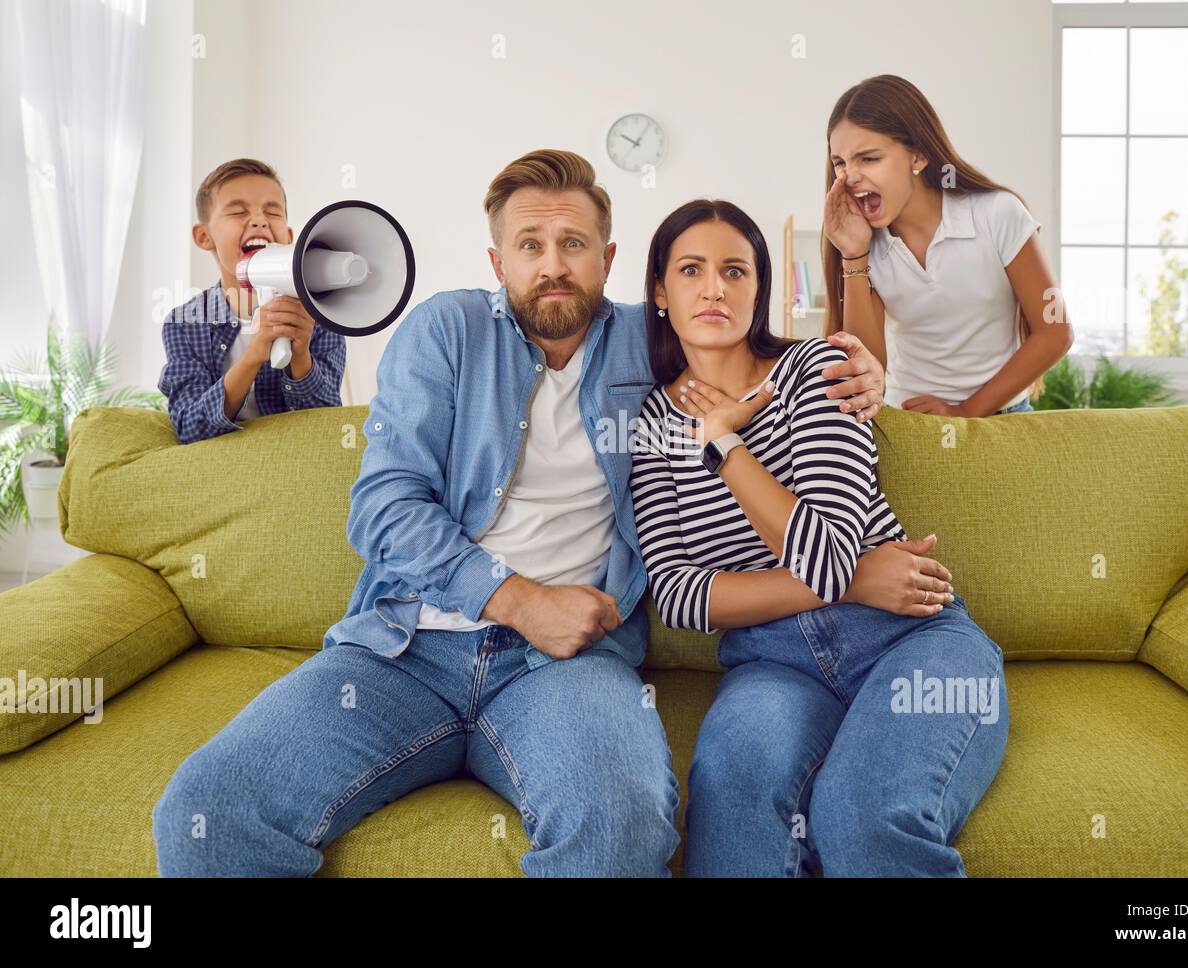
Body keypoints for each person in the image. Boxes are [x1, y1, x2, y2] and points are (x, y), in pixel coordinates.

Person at [151, 149, 887, 877]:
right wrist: (518, 600)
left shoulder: (654, 340)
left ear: (609, 258)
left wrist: (863, 366)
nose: (553, 265)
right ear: (498, 262)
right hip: (404, 648)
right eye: (530, 246)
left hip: (569, 667)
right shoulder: (447, 331)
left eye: (573, 245)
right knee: (208, 809)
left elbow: (760, 354)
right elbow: (383, 508)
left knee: (619, 827)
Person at [630, 197, 1009, 876]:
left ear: (759, 288)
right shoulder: (653, 424)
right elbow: (681, 596)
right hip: (772, 664)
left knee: (859, 815)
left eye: (736, 271)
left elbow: (827, 552)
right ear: (660, 291)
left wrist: (723, 444)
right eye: (691, 270)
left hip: (908, 636)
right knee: (732, 803)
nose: (714, 287)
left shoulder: (820, 370)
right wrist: (862, 576)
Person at [821, 75, 1074, 416]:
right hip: (908, 418)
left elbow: (1056, 332)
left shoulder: (999, 213)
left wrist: (963, 412)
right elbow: (866, 365)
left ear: (918, 156)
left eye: (868, 158)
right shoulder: (867, 245)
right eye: (840, 162)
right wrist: (853, 254)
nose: (849, 176)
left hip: (1001, 418)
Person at [157, 158, 346, 444]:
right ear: (204, 236)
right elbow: (190, 426)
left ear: (289, 237)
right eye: (237, 211)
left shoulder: (320, 317)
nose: (259, 220)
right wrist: (254, 354)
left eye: (273, 212)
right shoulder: (184, 323)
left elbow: (326, 426)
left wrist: (301, 357)